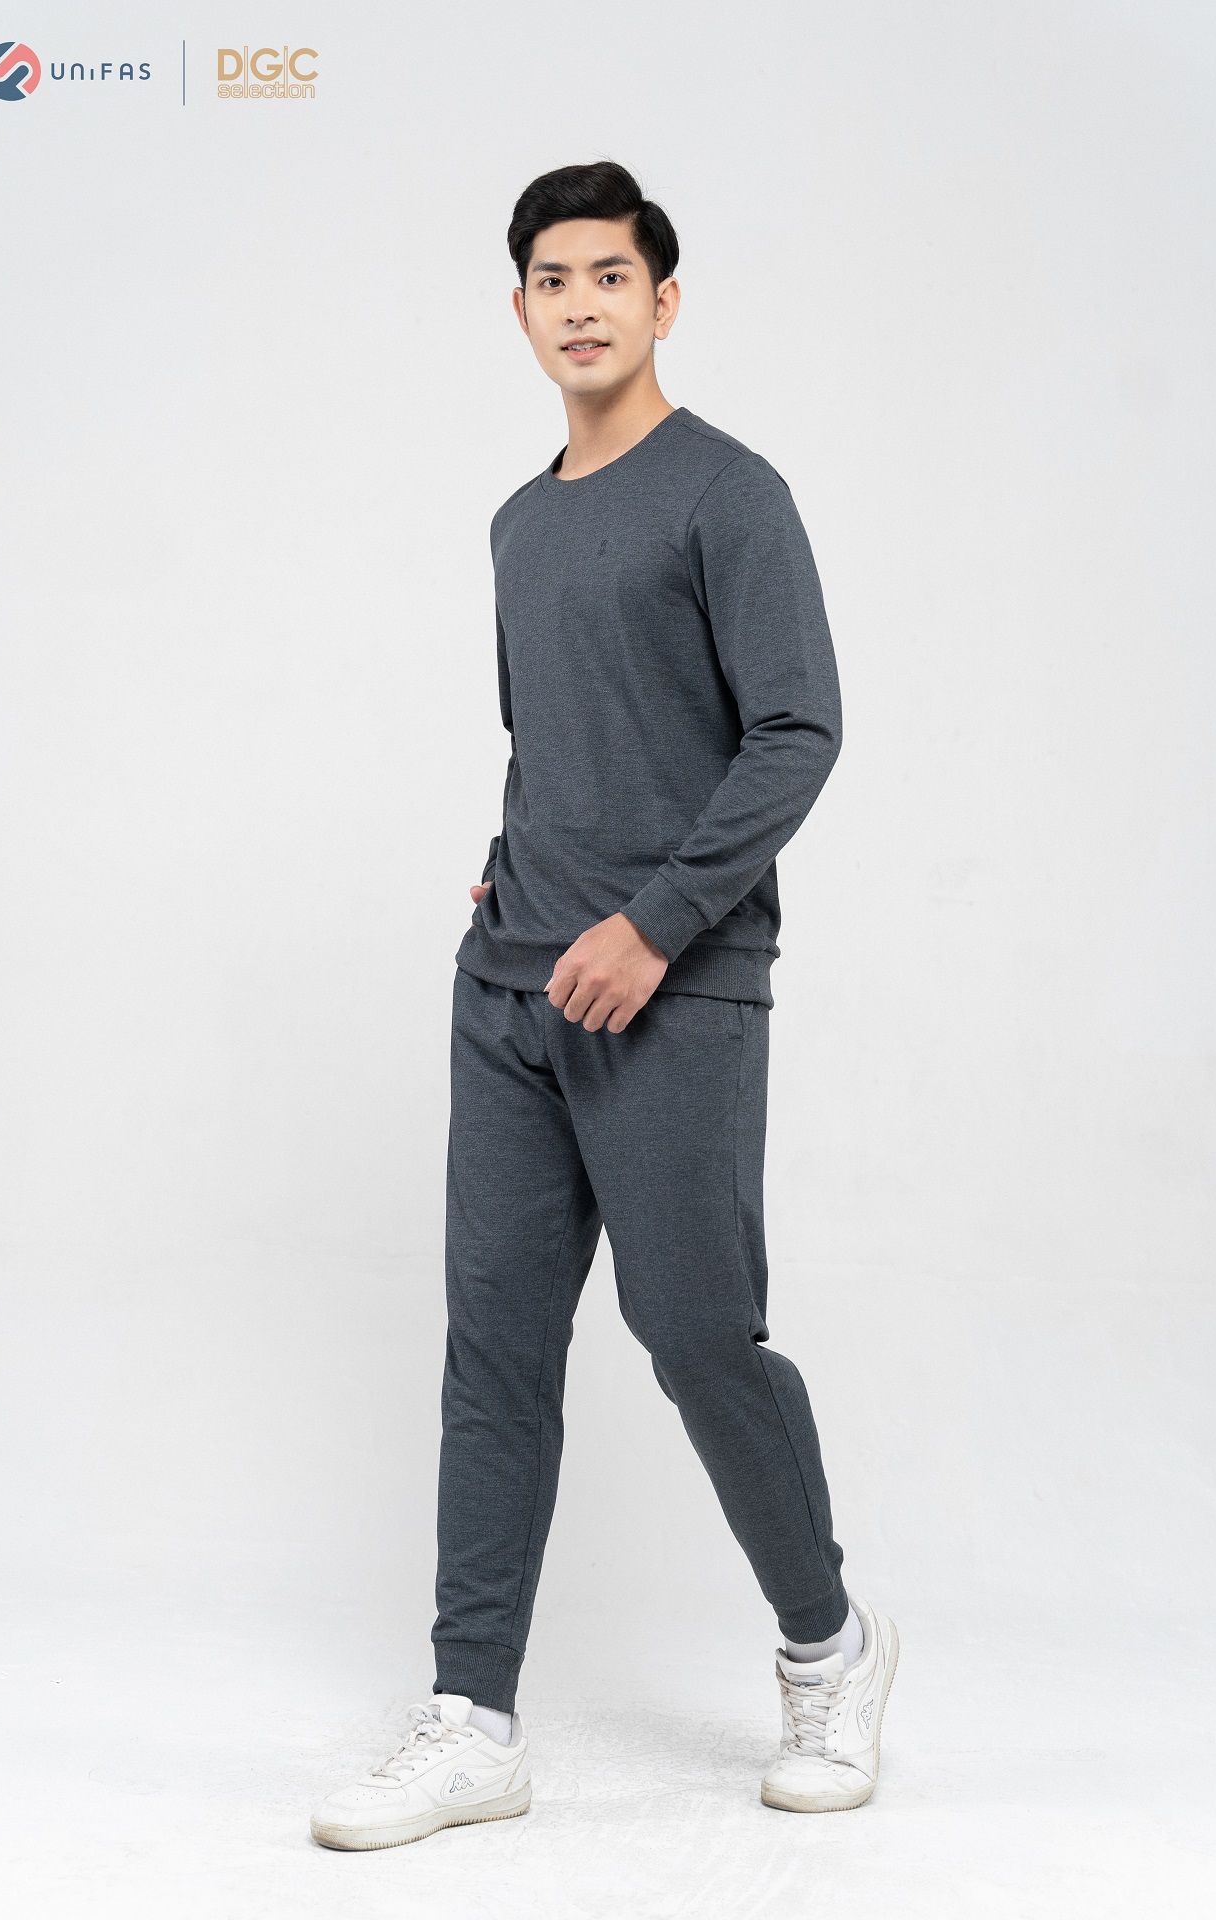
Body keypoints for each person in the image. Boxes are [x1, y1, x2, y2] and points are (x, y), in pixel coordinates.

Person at [311, 160, 897, 1853]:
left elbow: (795, 731)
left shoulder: (731, 494)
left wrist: (652, 923)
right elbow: (554, 740)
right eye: (552, 280)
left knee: (697, 1333)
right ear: (520, 312)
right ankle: (473, 1718)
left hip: (678, 989)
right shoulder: (519, 521)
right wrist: (512, 876)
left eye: (611, 276)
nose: (581, 304)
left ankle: (829, 1647)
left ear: (664, 299)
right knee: (495, 1352)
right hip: (509, 991)